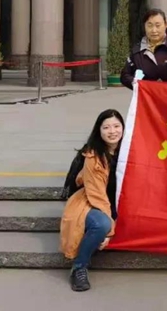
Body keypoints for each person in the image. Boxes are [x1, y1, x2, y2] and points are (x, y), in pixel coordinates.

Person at [60, 109, 125, 292]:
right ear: (99, 130)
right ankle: (79, 267)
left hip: (119, 203)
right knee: (102, 224)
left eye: (116, 126)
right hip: (90, 201)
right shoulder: (93, 156)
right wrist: (110, 230)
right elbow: (97, 195)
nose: (112, 131)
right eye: (106, 127)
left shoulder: (130, 151)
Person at [120, 8, 167, 90]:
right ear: (144, 26)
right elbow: (125, 76)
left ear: (166, 25)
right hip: (147, 96)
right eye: (149, 25)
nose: (154, 30)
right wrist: (140, 85)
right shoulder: (137, 51)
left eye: (158, 25)